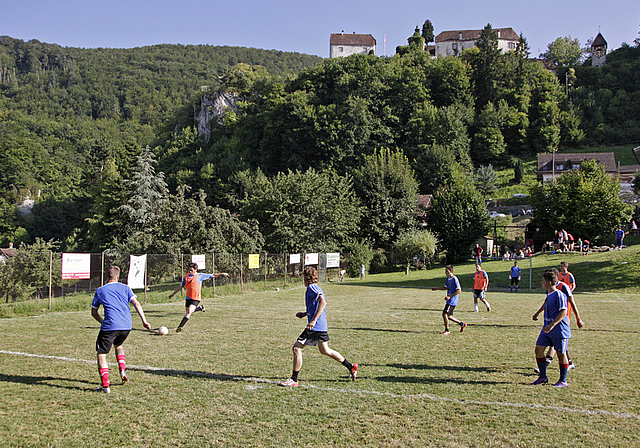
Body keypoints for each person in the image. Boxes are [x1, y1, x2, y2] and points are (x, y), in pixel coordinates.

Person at [279, 266, 358, 387]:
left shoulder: (312, 287)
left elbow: (322, 301)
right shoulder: (313, 288)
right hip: (321, 326)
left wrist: (313, 321)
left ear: (306, 278)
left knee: (296, 348)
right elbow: (316, 305)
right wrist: (305, 314)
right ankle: (351, 366)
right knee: (325, 350)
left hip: (316, 326)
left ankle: (294, 379)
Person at [91, 265, 152, 393]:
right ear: (118, 277)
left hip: (110, 326)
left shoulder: (100, 290)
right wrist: (144, 321)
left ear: (107, 276)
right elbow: (136, 303)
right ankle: (122, 370)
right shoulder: (126, 288)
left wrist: (103, 322)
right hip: (126, 325)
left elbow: (94, 312)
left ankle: (105, 386)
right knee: (118, 345)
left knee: (101, 354)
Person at [534, 267, 584, 373]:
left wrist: (578, 319)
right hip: (550, 321)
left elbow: (572, 303)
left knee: (557, 346)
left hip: (562, 320)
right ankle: (565, 363)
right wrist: (538, 312)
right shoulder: (549, 290)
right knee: (553, 346)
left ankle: (551, 368)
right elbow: (546, 302)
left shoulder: (562, 288)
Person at [531, 269, 572, 387]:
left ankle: (563, 381)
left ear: (549, 282)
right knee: (538, 350)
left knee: (561, 354)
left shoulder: (559, 294)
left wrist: (552, 324)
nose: (541, 282)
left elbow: (563, 311)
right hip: (547, 329)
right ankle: (543, 377)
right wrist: (537, 313)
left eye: (543, 280)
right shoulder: (549, 294)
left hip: (559, 330)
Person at [169, 262, 230, 333]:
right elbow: (181, 286)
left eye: (191, 270)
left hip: (196, 298)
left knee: (189, 312)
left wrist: (222, 274)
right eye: (189, 270)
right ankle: (200, 308)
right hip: (188, 297)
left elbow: (212, 275)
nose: (190, 271)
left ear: (195, 270)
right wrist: (173, 294)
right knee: (189, 311)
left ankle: (180, 327)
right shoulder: (186, 277)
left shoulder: (200, 276)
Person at [432, 265, 467, 335]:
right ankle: (462, 324)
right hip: (449, 300)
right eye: (445, 271)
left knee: (444, 314)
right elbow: (446, 288)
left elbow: (459, 290)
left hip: (452, 300)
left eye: (447, 271)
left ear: (451, 271)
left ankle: (447, 330)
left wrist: (450, 296)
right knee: (448, 316)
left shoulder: (455, 279)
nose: (445, 272)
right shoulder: (448, 279)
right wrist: (436, 288)